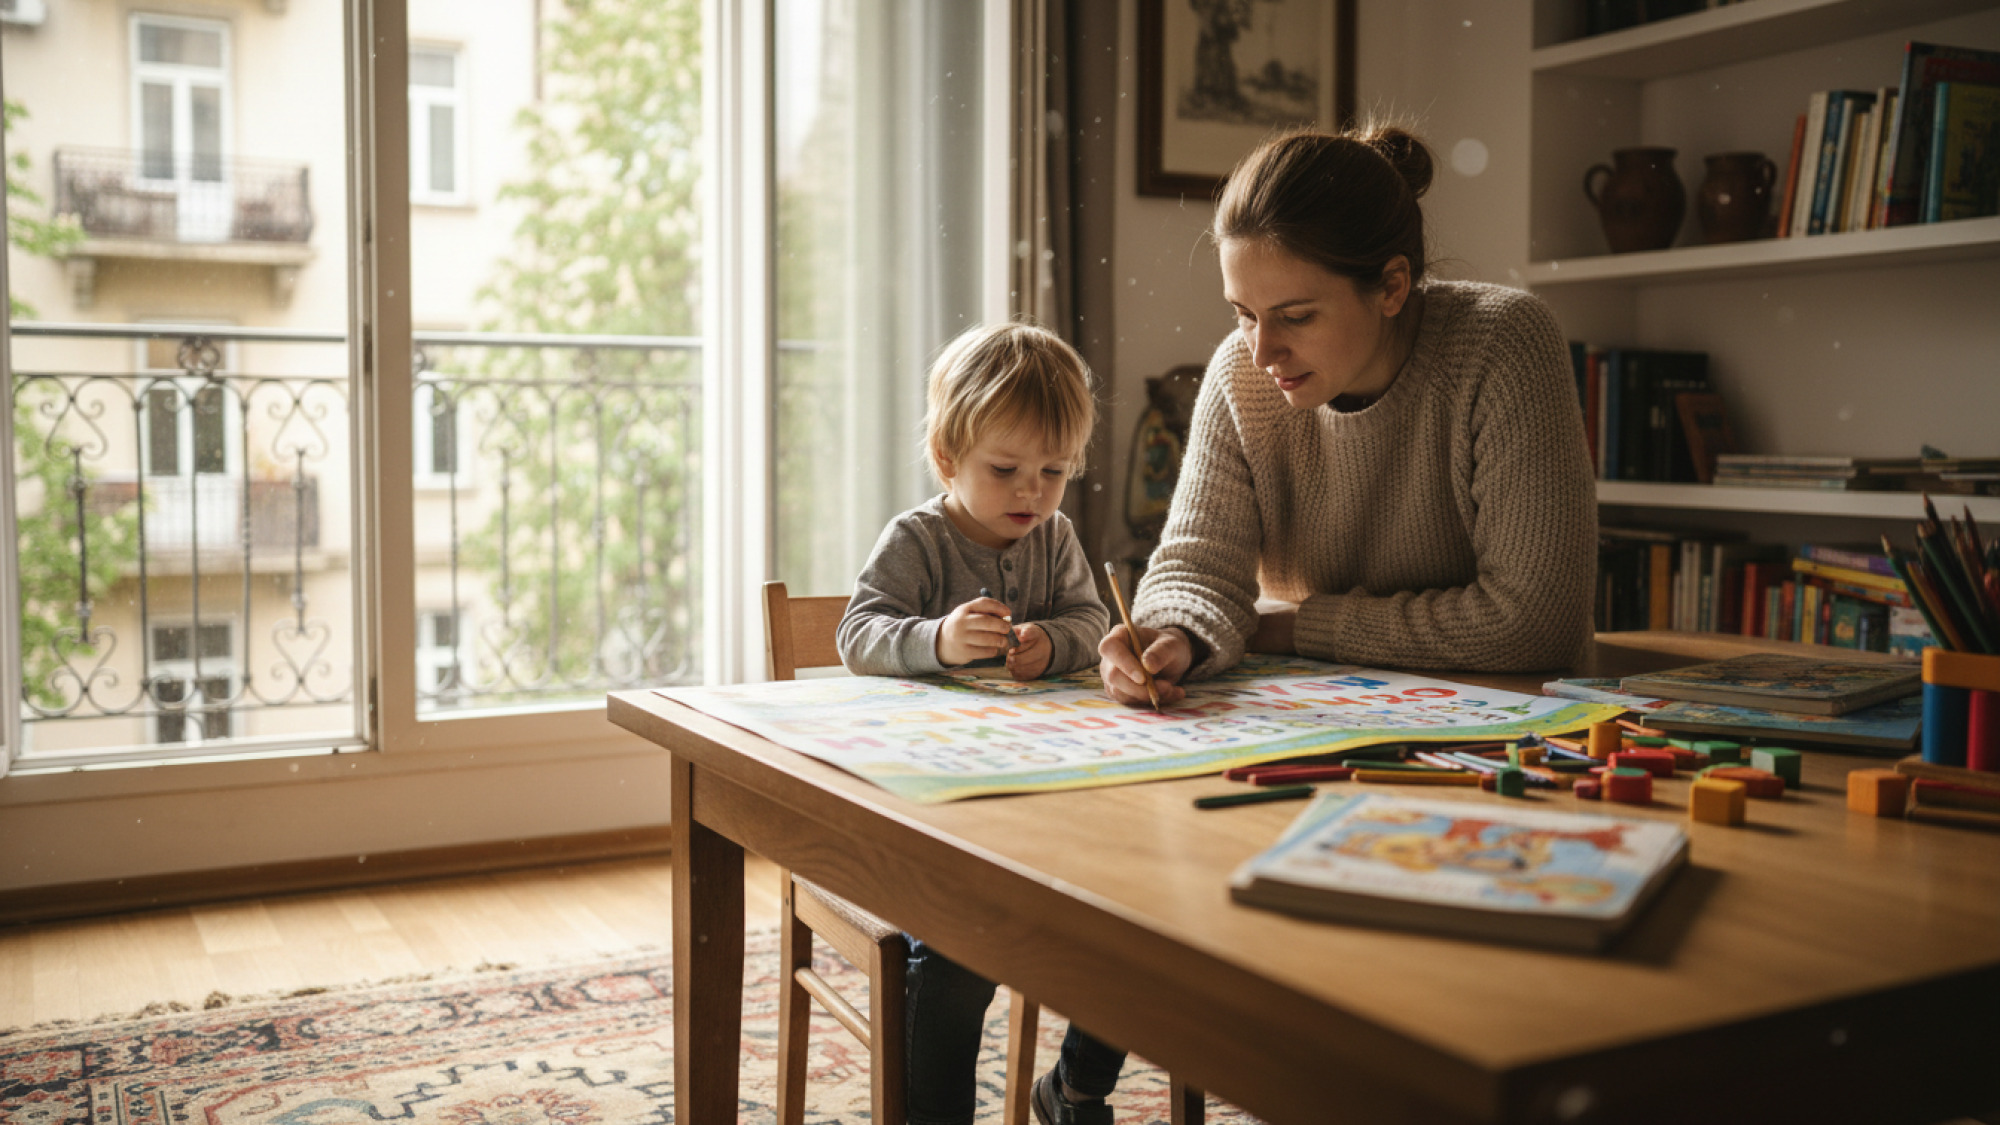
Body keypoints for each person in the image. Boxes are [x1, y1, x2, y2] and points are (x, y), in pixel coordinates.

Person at [1099, 122, 1597, 709]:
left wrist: (1296, 626)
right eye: (1244, 313)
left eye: (1297, 316)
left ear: (1391, 286)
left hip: (1505, 721)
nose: (1262, 352)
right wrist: (1171, 635)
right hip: (1315, 714)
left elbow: (1536, 622)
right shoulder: (1241, 371)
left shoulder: (1504, 342)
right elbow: (1195, 569)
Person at [835, 321, 1124, 1125]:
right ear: (946, 459)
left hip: (1045, 798)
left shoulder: (1055, 537)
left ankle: (1075, 1087)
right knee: (957, 956)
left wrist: (1050, 645)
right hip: (934, 809)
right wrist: (936, 640)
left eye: (1054, 471)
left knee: (1132, 926)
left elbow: (1087, 618)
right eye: (1005, 470)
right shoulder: (918, 539)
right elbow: (858, 633)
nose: (1031, 492)